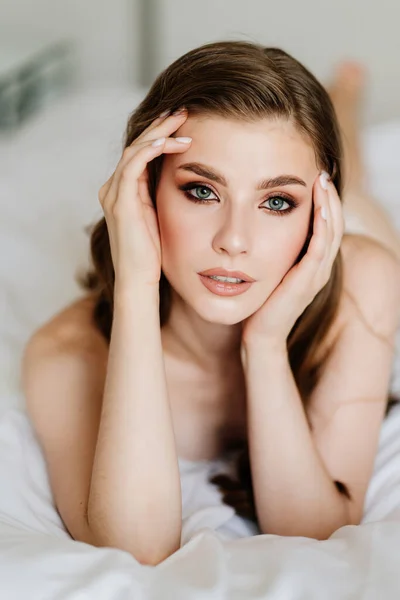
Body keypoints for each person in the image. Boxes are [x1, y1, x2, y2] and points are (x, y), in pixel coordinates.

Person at [21, 41, 400, 566]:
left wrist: (264, 346)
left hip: (347, 235)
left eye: (277, 201)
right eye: (202, 191)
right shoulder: (65, 355)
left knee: (356, 184)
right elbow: (135, 548)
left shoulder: (366, 282)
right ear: (145, 189)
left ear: (314, 213)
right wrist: (135, 286)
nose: (234, 240)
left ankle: (345, 101)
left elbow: (314, 531)